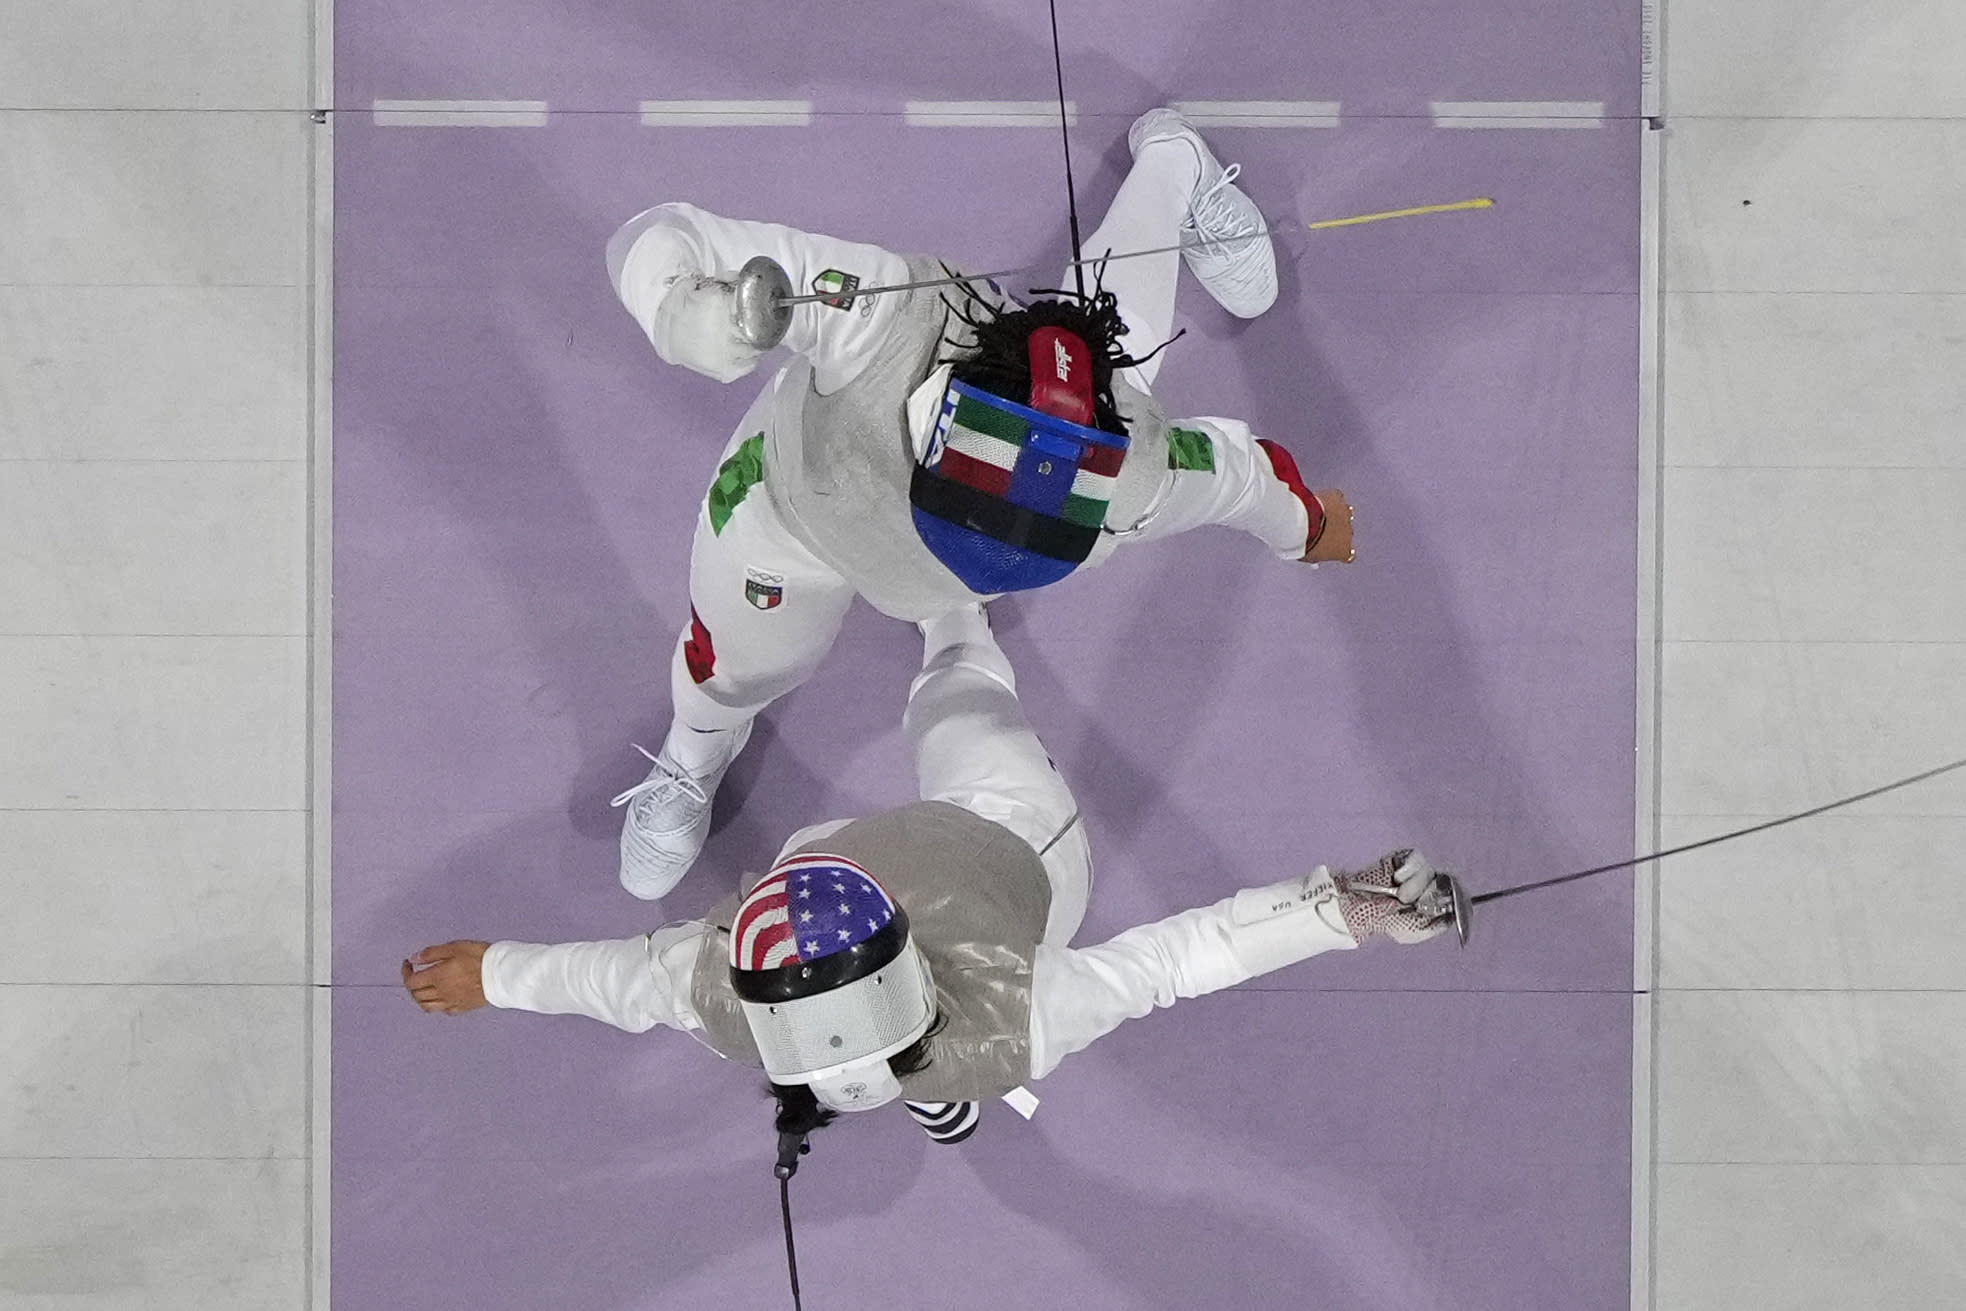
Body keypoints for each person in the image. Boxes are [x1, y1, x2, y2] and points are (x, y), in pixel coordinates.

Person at [602, 108, 1358, 899]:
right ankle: (696, 750)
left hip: (947, 563)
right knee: (733, 658)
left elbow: (1234, 472)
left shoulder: (1126, 468)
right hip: (792, 512)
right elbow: (655, 236)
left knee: (1107, 333)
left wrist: (1301, 522)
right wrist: (687, 312)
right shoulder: (884, 319)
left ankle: (1175, 161)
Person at [404, 606, 1449, 1147]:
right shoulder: (1017, 1017)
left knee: (945, 702)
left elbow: (617, 982)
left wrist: (498, 972)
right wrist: (1337, 909)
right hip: (1011, 840)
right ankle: (954, 621)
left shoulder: (712, 988)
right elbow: (1178, 958)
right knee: (957, 708)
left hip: (935, 837)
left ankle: (950, 610)